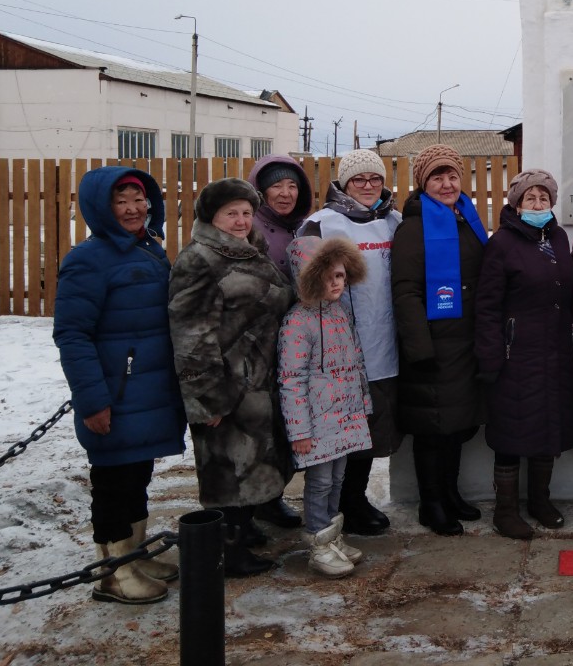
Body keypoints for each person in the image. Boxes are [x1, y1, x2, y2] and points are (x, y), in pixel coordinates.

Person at [53, 167, 186, 605]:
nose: (133, 208)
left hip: (147, 393)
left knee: (137, 475)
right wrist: (93, 400)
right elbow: (72, 335)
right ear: (101, 208)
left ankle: (134, 555)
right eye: (121, 201)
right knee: (113, 482)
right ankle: (112, 573)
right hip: (117, 394)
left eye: (139, 198)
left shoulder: (148, 250)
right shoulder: (87, 260)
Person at [169, 177, 295, 576]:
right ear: (212, 217)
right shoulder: (198, 259)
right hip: (226, 384)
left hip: (258, 379)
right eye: (231, 214)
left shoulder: (249, 251)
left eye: (245, 212)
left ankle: (244, 531)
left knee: (255, 461)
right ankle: (228, 552)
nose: (241, 221)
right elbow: (191, 333)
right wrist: (207, 397)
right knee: (229, 467)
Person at [299, 148, 402, 536]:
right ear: (343, 183)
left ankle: (354, 497)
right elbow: (304, 286)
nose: (368, 186)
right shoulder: (322, 224)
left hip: (385, 342)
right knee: (346, 430)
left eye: (375, 178)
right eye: (358, 179)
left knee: (373, 429)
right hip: (340, 348)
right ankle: (343, 504)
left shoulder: (393, 220)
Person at [475, 169, 573, 540]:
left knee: (547, 424)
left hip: (553, 350)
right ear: (516, 205)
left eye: (544, 198)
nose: (538, 204)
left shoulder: (558, 237)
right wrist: (490, 354)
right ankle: (506, 511)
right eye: (529, 199)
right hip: (514, 351)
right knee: (511, 430)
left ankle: (540, 501)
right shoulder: (502, 242)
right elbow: (487, 305)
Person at [390, 144, 489, 536]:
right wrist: (420, 348)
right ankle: (431, 503)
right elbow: (405, 290)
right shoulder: (414, 227)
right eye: (437, 177)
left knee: (457, 425)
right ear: (423, 183)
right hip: (432, 344)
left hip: (464, 341)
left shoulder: (467, 218)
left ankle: (450, 492)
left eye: (452, 176)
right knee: (433, 429)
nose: (446, 184)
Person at [278, 237, 373, 578]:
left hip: (345, 417)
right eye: (328, 277)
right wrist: (299, 431)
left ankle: (333, 536)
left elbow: (357, 362)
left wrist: (362, 404)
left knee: (338, 478)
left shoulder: (340, 313)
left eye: (341, 276)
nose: (336, 283)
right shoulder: (296, 323)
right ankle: (318, 542)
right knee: (319, 483)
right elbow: (290, 379)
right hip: (317, 424)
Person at [247, 154, 315, 530]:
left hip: (294, 340)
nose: (285, 193)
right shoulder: (250, 227)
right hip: (259, 341)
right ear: (261, 190)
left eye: (292, 186)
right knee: (259, 426)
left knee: (283, 422)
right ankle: (254, 504)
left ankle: (272, 498)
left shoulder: (301, 227)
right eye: (277, 186)